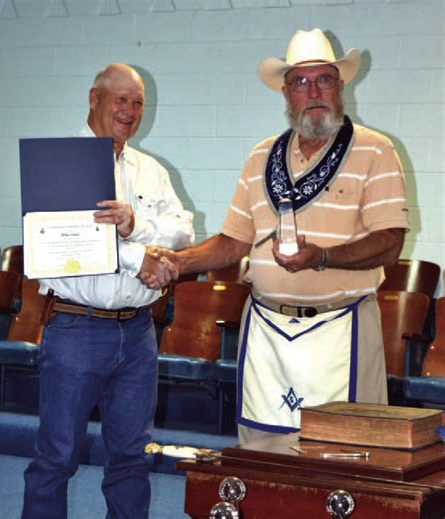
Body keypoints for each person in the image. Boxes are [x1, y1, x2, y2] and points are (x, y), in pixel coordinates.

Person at [141, 29, 410, 444]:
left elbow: (391, 243)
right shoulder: (260, 156)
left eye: (324, 79)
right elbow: (233, 242)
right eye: (301, 82)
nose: (314, 91)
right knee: (263, 454)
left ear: (341, 86)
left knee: (343, 454)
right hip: (266, 330)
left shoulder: (375, 150)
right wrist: (180, 262)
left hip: (342, 328)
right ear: (286, 93)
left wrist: (321, 257)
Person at [22, 64, 194, 519]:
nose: (130, 111)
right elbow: (65, 242)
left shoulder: (152, 170)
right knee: (56, 459)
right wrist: (143, 258)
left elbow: (183, 232)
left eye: (137, 103)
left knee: (131, 460)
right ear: (93, 97)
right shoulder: (58, 162)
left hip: (138, 333)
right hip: (77, 327)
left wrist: (137, 225)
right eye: (120, 99)